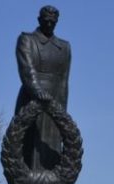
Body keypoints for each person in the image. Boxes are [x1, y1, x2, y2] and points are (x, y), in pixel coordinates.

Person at [15, 5, 71, 172]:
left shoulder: (64, 47)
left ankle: (51, 182)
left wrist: (62, 111)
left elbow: (64, 80)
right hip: (32, 97)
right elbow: (26, 68)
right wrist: (37, 91)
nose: (49, 24)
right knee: (30, 142)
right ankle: (26, 182)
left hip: (55, 99)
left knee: (51, 142)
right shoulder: (27, 39)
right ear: (39, 20)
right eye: (46, 21)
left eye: (53, 22)